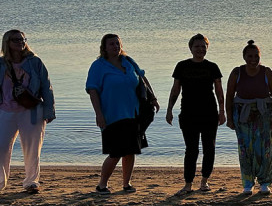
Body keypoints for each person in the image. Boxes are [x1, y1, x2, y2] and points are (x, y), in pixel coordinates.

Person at [0, 29, 55, 198]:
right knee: (0, 148)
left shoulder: (35, 62)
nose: (20, 42)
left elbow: (46, 88)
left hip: (32, 112)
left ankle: (31, 182)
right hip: (5, 111)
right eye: (16, 40)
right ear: (7, 43)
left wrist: (49, 111)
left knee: (32, 148)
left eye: (22, 39)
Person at [86, 33, 158, 194]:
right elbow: (92, 90)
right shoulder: (99, 66)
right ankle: (102, 185)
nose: (115, 47)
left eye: (117, 44)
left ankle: (126, 184)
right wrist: (99, 114)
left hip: (133, 113)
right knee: (116, 152)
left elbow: (142, 78)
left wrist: (152, 98)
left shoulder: (128, 61)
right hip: (111, 115)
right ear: (104, 47)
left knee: (131, 150)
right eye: (111, 44)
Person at [166, 33, 225, 194]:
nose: (200, 49)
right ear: (191, 48)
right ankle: (188, 184)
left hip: (209, 113)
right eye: (197, 46)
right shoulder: (182, 66)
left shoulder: (212, 67)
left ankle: (204, 182)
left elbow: (219, 91)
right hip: (188, 113)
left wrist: (222, 112)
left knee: (209, 148)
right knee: (191, 149)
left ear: (207, 48)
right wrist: (169, 109)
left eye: (203, 47)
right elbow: (175, 89)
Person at [225, 40, 272, 195]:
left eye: (256, 56)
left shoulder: (267, 72)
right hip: (242, 115)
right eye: (250, 56)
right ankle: (248, 183)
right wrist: (229, 118)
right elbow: (229, 96)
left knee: (266, 149)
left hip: (264, 114)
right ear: (244, 57)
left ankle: (265, 182)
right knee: (245, 150)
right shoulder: (237, 72)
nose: (253, 59)